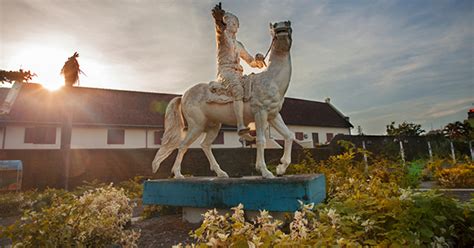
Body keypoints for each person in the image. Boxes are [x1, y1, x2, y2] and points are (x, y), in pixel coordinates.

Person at [212, 3, 265, 140]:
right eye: (233, 22)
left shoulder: (239, 44)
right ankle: (241, 125)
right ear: (226, 23)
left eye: (237, 23)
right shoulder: (223, 38)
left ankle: (251, 124)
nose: (236, 25)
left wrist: (259, 60)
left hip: (239, 73)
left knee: (254, 92)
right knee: (238, 91)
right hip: (226, 72)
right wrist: (218, 21)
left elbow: (251, 61)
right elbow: (219, 31)